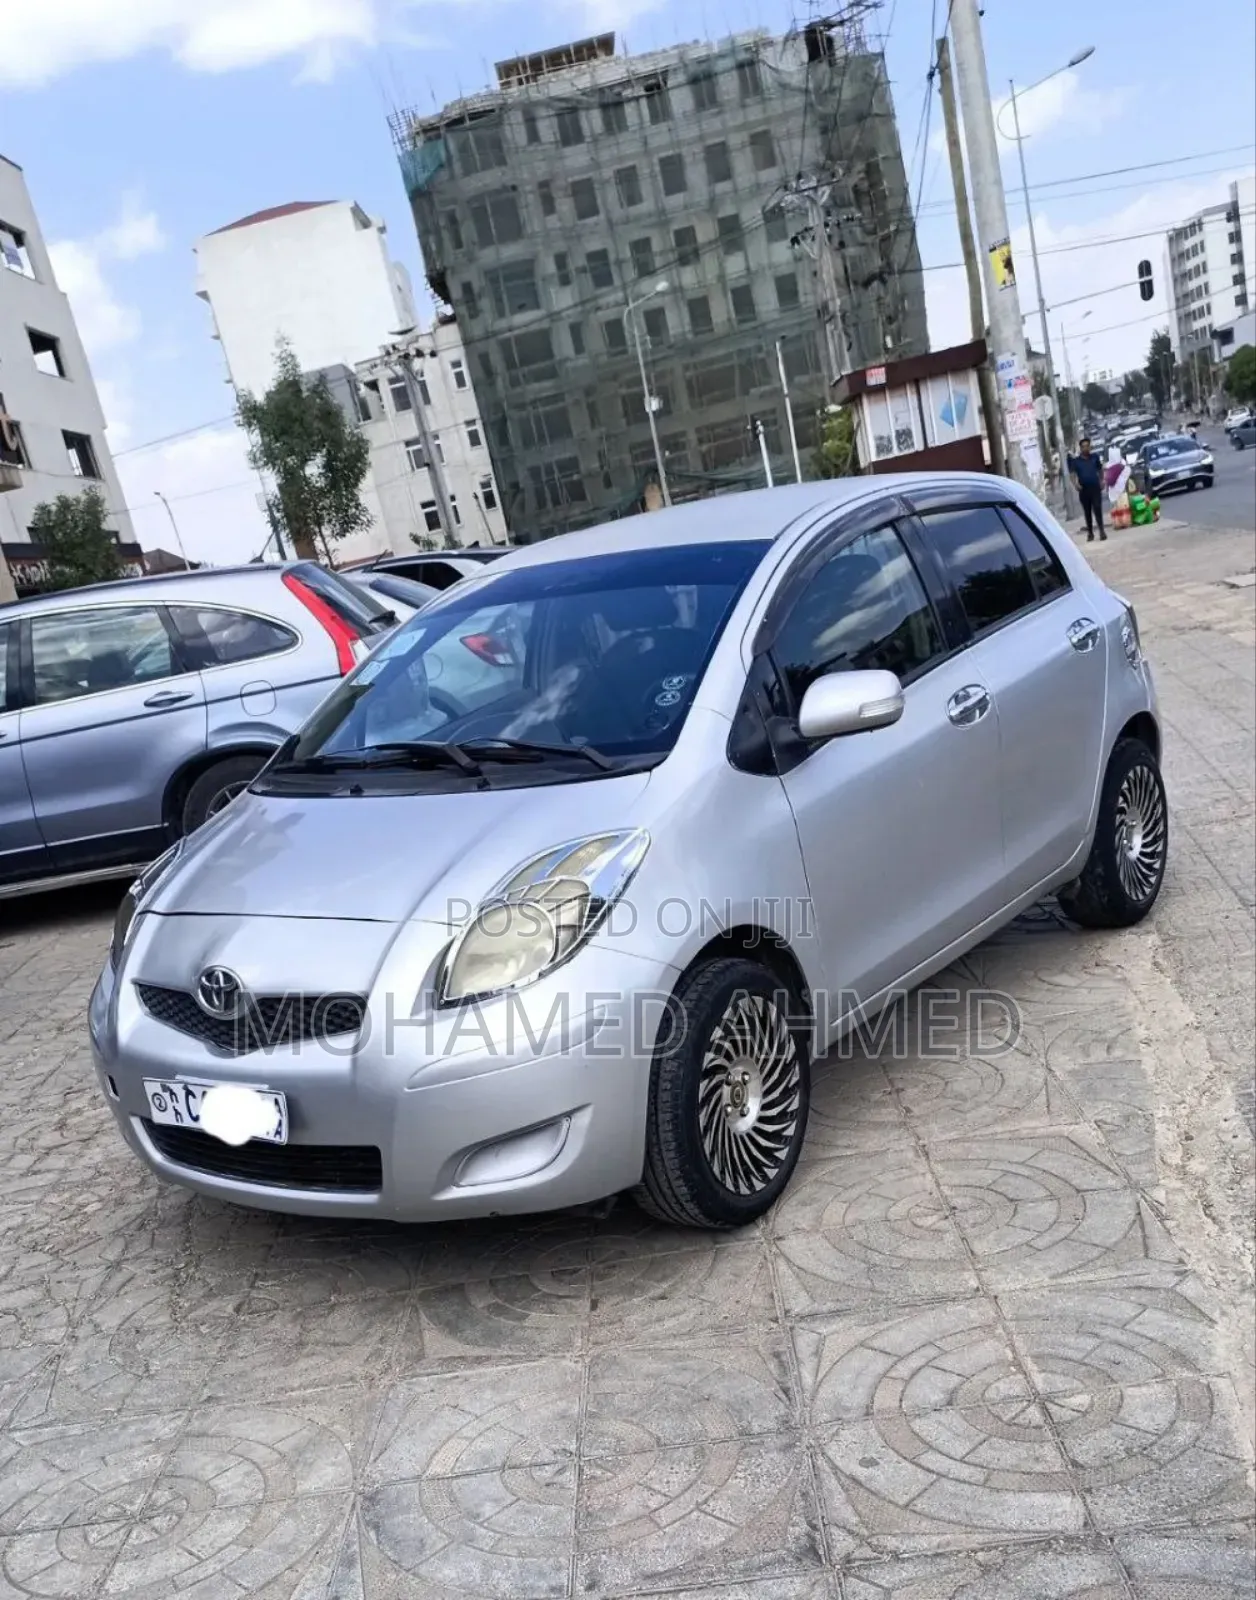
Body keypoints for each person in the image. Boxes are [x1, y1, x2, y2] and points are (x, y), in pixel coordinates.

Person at [1068, 437, 1107, 542]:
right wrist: (1075, 484)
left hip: (1095, 488)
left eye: (1087, 446)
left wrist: (1102, 480)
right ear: (1080, 448)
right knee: (1087, 511)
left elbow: (1100, 469)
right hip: (1084, 490)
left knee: (1098, 508)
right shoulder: (1076, 461)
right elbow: (1072, 474)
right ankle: (1090, 533)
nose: (1086, 448)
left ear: (1090, 447)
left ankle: (1102, 531)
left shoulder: (1095, 457)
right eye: (1083, 447)